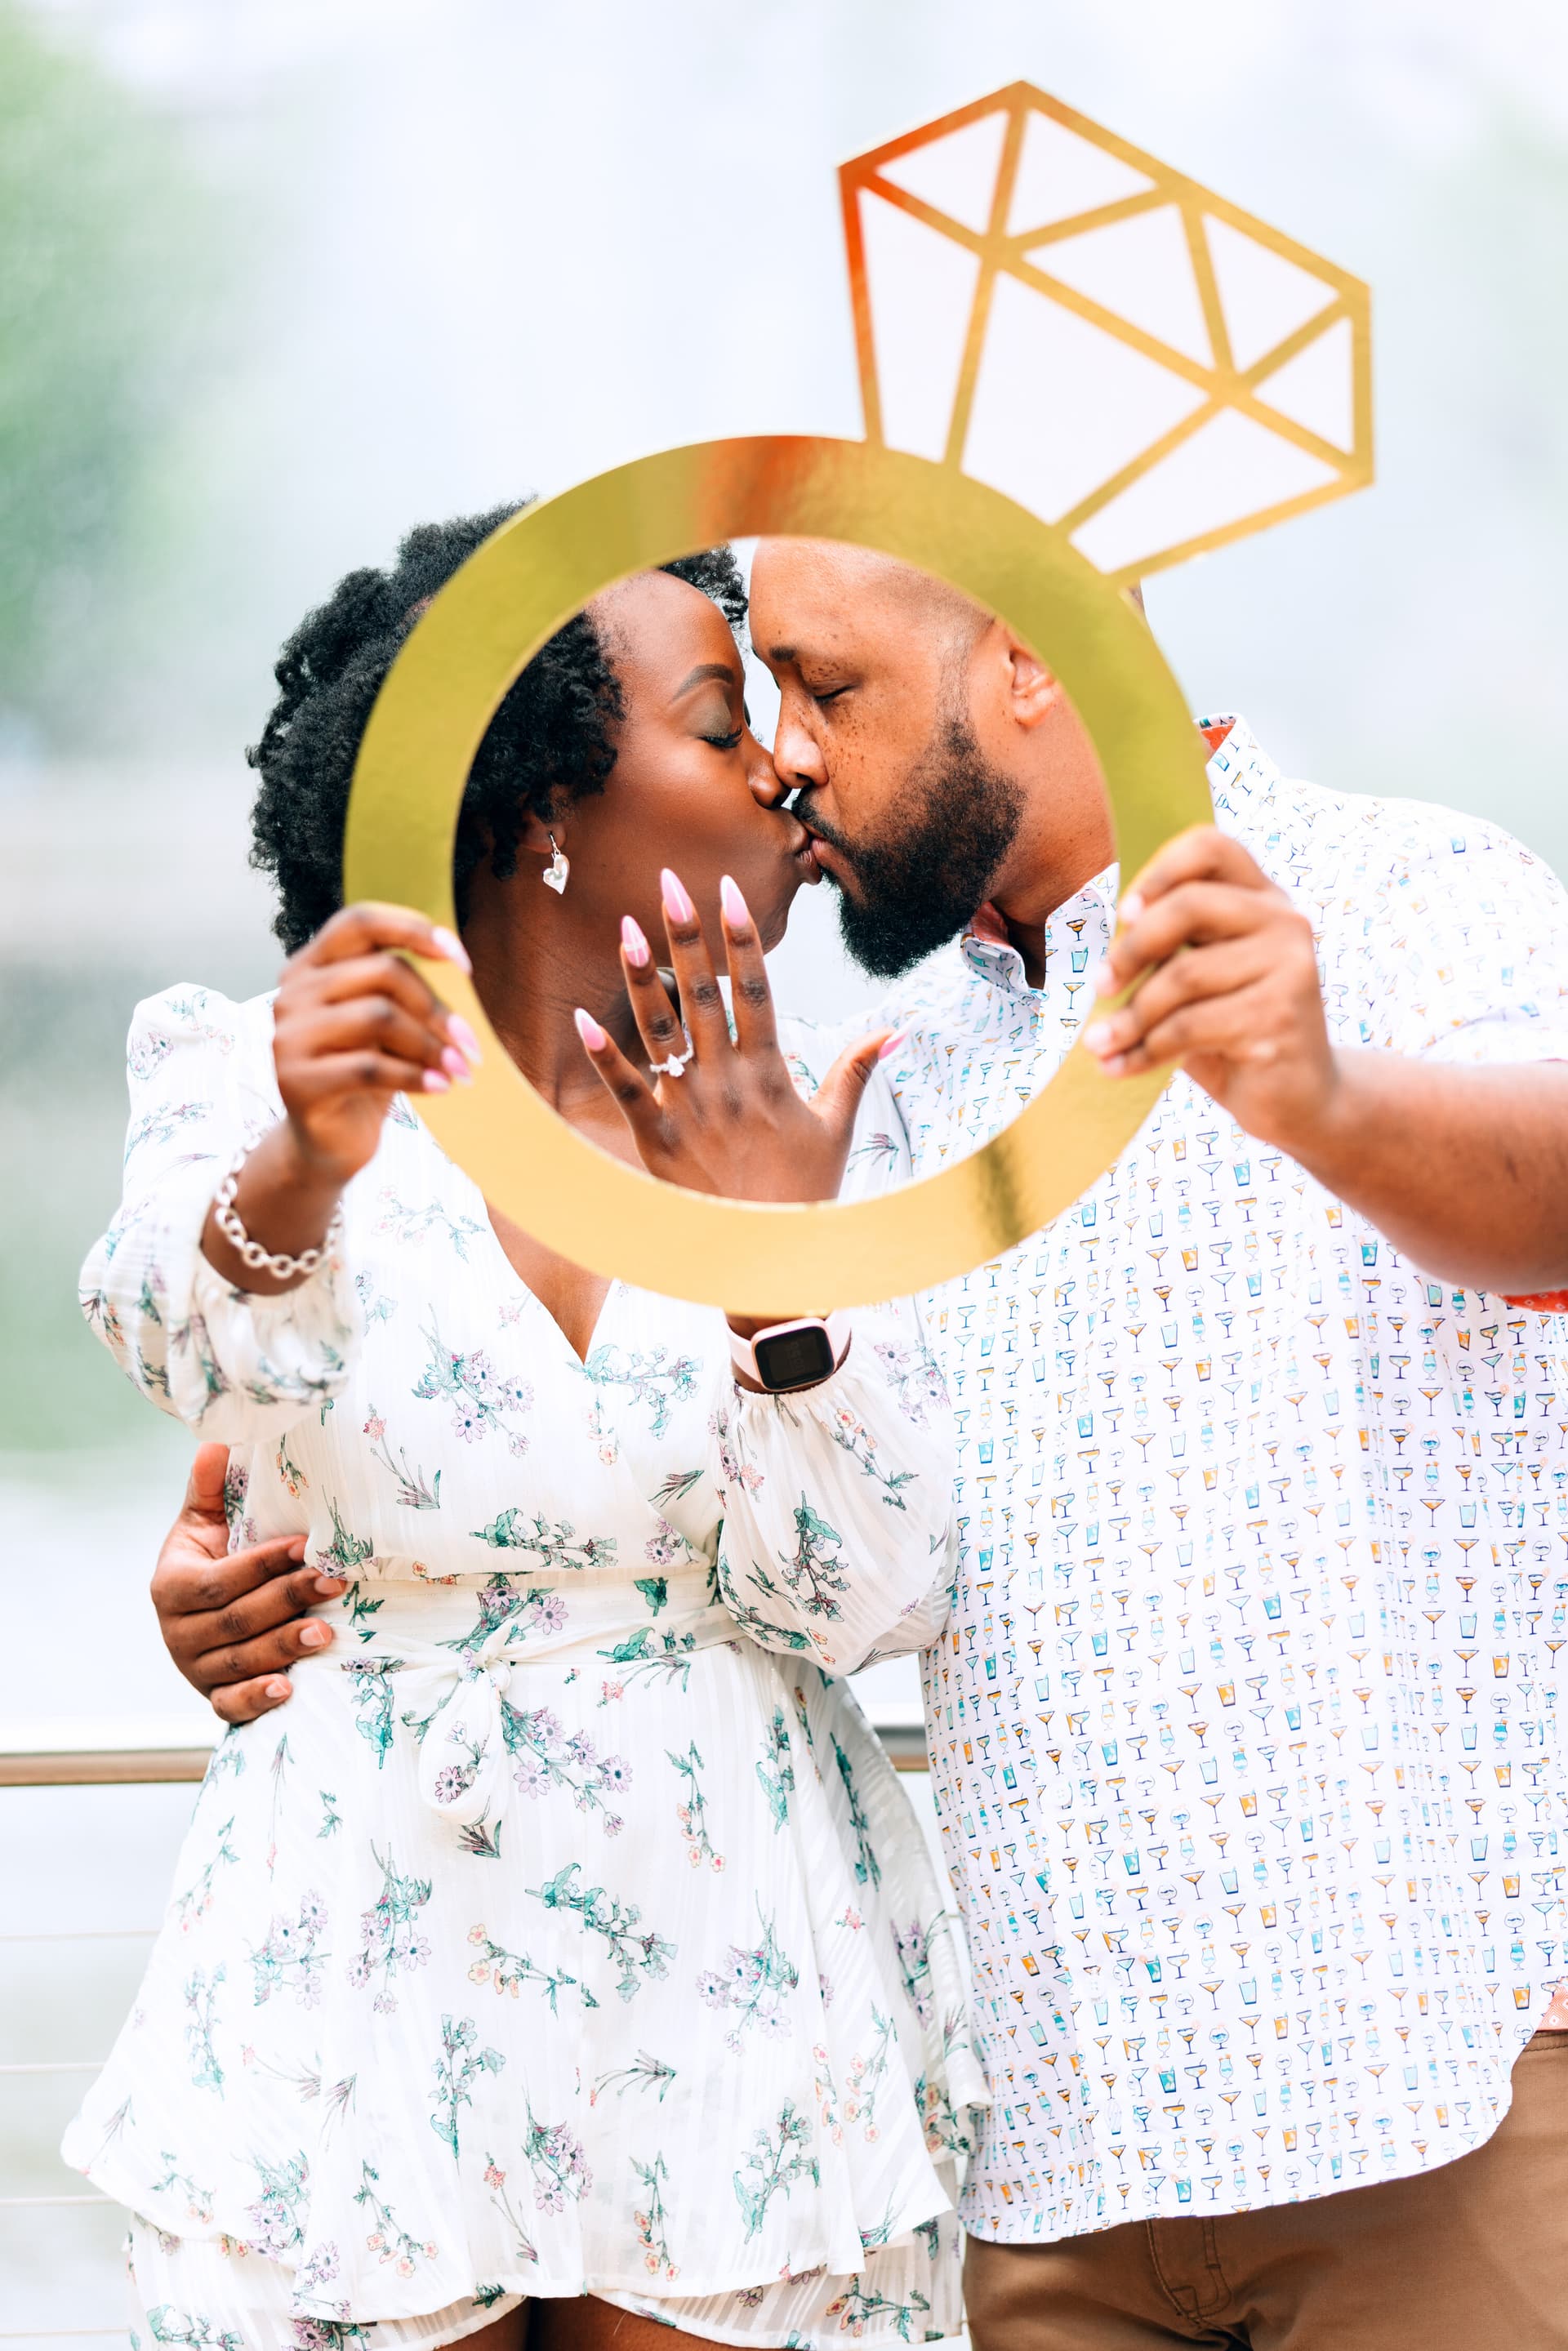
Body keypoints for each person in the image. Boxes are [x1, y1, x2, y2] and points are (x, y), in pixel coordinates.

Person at [164, 531, 1568, 2349]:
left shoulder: (1404, 892)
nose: (790, 755)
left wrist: (1324, 1096)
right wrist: (294, 1578)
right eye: (756, 699)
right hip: (1057, 2162)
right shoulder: (881, 1081)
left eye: (827, 689)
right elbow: (834, 1557)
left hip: (1435, 2088)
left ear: (1037, 657)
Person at [66, 514, 987, 2351]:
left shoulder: (821, 1122)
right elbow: (176, 1332)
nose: (783, 769)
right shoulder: (265, 1071)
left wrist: (777, 1279)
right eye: (721, 722)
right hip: (359, 1950)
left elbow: (876, 1596)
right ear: (543, 798)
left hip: (731, 1965)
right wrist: (305, 1159)